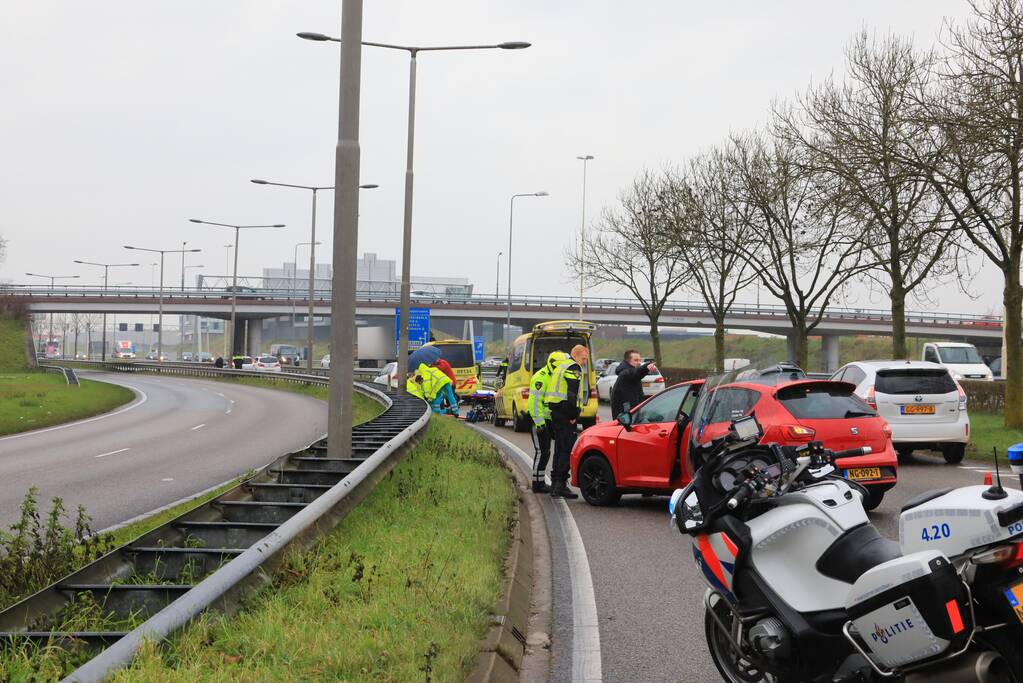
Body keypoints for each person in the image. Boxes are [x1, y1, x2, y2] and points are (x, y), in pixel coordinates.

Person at [543, 344, 589, 499]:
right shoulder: (573, 367)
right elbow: (571, 394)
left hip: (555, 412)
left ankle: (556, 484)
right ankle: (560, 485)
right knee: (566, 449)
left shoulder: (561, 366)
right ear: (575, 355)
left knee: (559, 448)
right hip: (564, 412)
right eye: (583, 358)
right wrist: (573, 414)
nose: (584, 362)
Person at [526, 351, 569, 493]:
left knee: (547, 452)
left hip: (549, 420)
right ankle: (537, 484)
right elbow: (534, 403)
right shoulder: (541, 378)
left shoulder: (554, 376)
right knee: (541, 452)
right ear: (551, 364)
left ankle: (540, 481)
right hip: (539, 421)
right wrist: (540, 423)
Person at [611, 350, 657, 419]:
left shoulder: (629, 372)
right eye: (636, 360)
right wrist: (646, 367)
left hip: (630, 415)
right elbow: (636, 373)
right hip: (625, 419)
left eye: (639, 360)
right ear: (627, 361)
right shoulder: (626, 373)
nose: (639, 363)